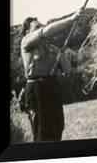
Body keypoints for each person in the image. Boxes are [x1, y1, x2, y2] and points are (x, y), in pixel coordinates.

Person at [20, 10, 81, 142]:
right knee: (42, 132)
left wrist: (62, 57)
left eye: (41, 25)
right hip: (36, 89)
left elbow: (67, 69)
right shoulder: (26, 43)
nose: (41, 28)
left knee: (57, 127)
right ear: (27, 33)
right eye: (36, 27)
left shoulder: (51, 48)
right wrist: (71, 19)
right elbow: (47, 31)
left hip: (52, 87)